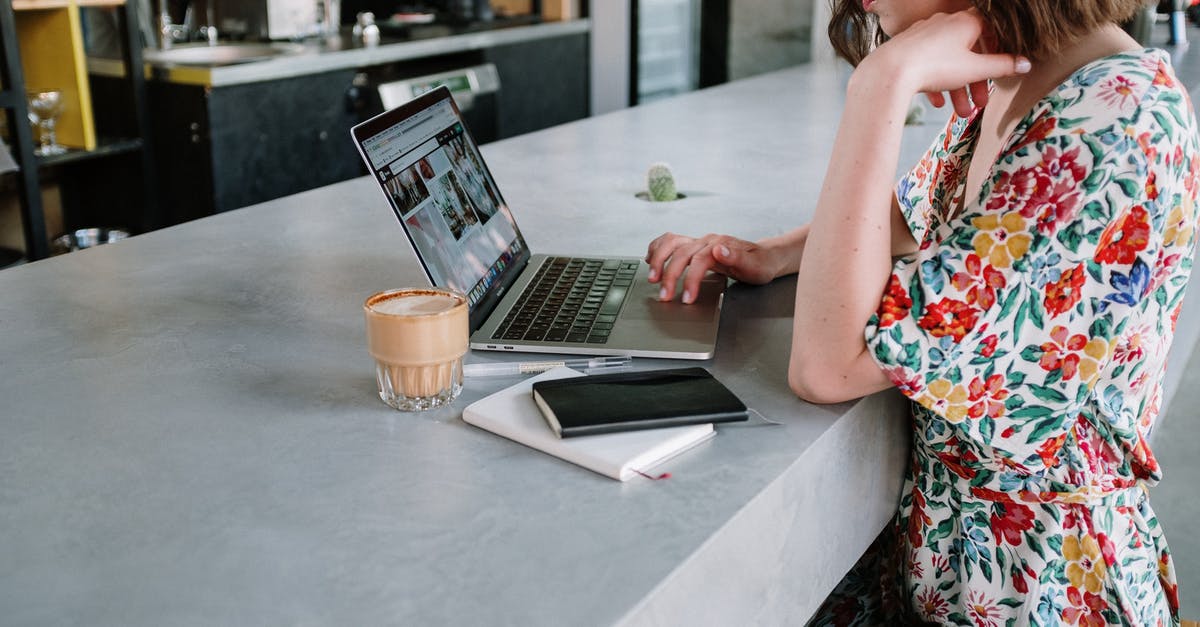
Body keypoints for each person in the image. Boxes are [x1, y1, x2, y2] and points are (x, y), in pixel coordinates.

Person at [645, 0, 1199, 624]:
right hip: (950, 559)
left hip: (1034, 587)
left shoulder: (1115, 118)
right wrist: (768, 255)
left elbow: (828, 365)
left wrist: (881, 82)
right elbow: (918, 216)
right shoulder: (1037, 71)